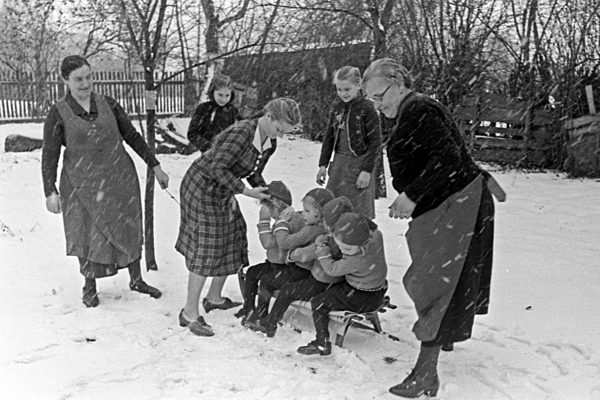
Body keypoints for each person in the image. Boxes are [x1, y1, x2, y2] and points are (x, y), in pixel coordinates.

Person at [362, 58, 504, 398]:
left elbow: (447, 159)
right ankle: (446, 337)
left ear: (398, 84)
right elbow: (447, 154)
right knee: (435, 281)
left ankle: (426, 374)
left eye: (379, 96)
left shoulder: (420, 110)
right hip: (445, 204)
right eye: (373, 100)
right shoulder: (414, 110)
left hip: (454, 207)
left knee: (435, 284)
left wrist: (412, 195)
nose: (378, 106)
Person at [41, 55, 169, 308]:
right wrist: (50, 191)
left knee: (127, 226)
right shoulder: (58, 113)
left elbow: (131, 135)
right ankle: (89, 287)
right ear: (65, 80)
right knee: (88, 233)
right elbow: (50, 155)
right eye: (78, 79)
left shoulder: (108, 104)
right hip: (81, 184)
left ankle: (136, 279)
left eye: (89, 77)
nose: (85, 83)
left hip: (118, 178)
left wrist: (154, 164)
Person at [176, 98, 302, 337]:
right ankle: (188, 312)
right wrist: (245, 191)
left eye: (285, 133)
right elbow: (217, 168)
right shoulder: (241, 133)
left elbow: (253, 171)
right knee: (208, 244)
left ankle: (214, 297)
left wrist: (266, 193)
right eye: (279, 129)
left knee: (233, 236)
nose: (281, 136)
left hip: (223, 189)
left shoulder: (269, 142)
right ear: (269, 116)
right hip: (201, 188)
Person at [246, 192, 351, 338]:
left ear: (320, 214)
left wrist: (290, 251)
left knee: (277, 286)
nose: (303, 214)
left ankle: (266, 321)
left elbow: (289, 245)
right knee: (272, 282)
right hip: (313, 275)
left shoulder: (315, 231)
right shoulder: (322, 229)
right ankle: (262, 317)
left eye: (307, 211)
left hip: (310, 275)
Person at [297, 212, 388, 356]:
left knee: (318, 302)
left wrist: (322, 248)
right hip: (379, 290)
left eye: (347, 249)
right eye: (340, 246)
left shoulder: (356, 258)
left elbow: (331, 269)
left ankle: (322, 342)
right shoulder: (376, 236)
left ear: (362, 243)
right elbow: (365, 224)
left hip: (360, 297)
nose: (342, 251)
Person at [316, 66, 382, 219]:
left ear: (358, 85)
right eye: (339, 89)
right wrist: (322, 165)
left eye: (347, 89)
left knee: (357, 214)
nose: (343, 93)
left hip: (359, 166)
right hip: (339, 164)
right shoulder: (337, 107)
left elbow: (376, 143)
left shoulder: (367, 108)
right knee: (332, 210)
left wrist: (367, 171)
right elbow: (329, 137)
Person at [238, 180, 307, 323]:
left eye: (266, 206)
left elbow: (268, 243)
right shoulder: (283, 218)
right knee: (252, 272)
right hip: (274, 262)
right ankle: (249, 309)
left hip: (286, 267)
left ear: (275, 204)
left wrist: (263, 220)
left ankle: (262, 314)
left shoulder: (287, 221)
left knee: (266, 282)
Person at [186, 74, 239, 152]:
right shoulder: (204, 109)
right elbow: (192, 133)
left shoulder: (232, 110)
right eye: (220, 95)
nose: (223, 99)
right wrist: (208, 147)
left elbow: (241, 128)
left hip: (227, 153)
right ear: (212, 92)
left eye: (227, 95)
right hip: (208, 154)